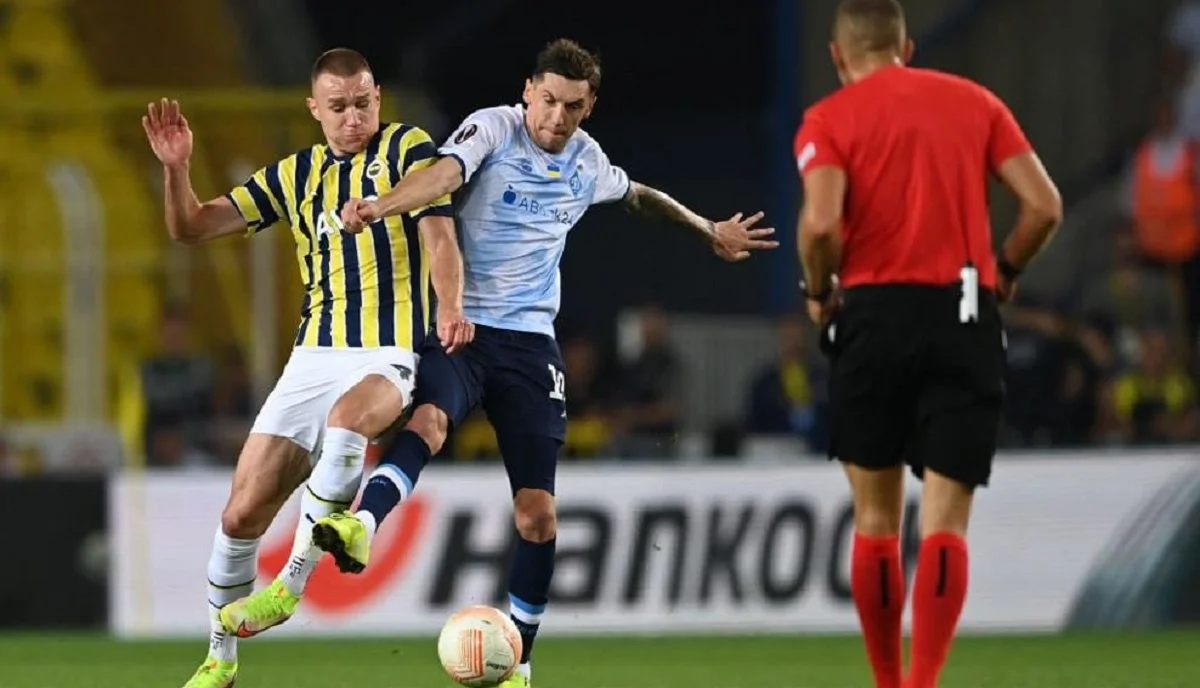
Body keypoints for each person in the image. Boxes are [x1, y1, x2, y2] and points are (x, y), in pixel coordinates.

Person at [303, 38, 774, 688]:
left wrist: (708, 229)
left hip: (529, 347)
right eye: (548, 100)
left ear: (589, 107)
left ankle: (518, 661)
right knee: (430, 423)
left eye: (572, 106)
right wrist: (382, 206)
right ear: (528, 91)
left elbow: (639, 195)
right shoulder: (494, 129)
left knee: (538, 515)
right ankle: (361, 523)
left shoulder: (587, 162)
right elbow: (445, 175)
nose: (556, 117)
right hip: (463, 326)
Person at [142, 48, 473, 688]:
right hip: (310, 359)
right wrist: (177, 169)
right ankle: (219, 659)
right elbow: (190, 227)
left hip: (387, 352)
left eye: (364, 103)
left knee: (350, 422)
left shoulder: (407, 149)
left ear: (378, 98)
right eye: (339, 107)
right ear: (314, 109)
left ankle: (289, 586)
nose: (354, 118)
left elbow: (440, 239)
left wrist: (450, 306)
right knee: (239, 517)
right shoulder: (294, 175)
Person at [793, 2, 1062, 687]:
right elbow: (1044, 206)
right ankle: (925, 683)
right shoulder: (976, 103)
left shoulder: (828, 119)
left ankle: (889, 683)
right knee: (945, 524)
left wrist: (818, 291)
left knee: (877, 520)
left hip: (870, 316)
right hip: (964, 309)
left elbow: (820, 223)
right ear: (907, 46)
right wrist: (1006, 270)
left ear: (837, 55)